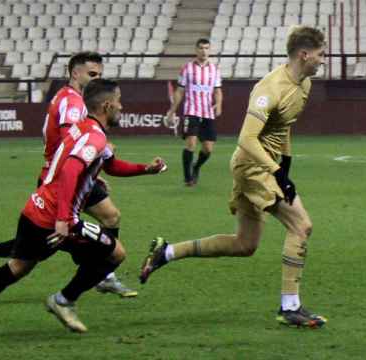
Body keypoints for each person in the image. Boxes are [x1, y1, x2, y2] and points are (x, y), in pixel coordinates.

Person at [0, 79, 168, 340]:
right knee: (116, 254)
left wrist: (146, 169)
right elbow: (71, 168)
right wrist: (64, 219)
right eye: (119, 101)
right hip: (57, 219)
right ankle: (63, 300)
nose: (122, 106)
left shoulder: (84, 129)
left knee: (18, 267)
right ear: (107, 105)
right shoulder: (95, 136)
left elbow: (111, 165)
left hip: (35, 209)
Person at [140, 26, 327, 328]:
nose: (323, 60)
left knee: (245, 244)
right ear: (304, 54)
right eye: (320, 55)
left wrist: (287, 165)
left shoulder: (304, 84)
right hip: (252, 166)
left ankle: (167, 252)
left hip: (264, 166)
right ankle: (290, 306)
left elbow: (285, 125)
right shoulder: (270, 88)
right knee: (301, 226)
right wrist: (277, 171)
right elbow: (246, 140)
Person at [0, 52, 137, 297]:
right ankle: (101, 275)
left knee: (107, 218)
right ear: (74, 73)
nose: (96, 78)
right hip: (63, 177)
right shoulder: (72, 102)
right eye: (91, 74)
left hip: (71, 173)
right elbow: (72, 140)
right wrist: (91, 163)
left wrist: (91, 167)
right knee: (45, 243)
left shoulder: (71, 97)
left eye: (99, 75)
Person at [165, 38, 223, 186]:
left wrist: (219, 104)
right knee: (191, 143)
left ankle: (196, 167)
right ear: (196, 50)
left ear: (209, 50)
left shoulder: (214, 70)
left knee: (208, 148)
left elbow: (218, 90)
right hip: (191, 111)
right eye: (201, 48)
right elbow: (179, 91)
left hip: (207, 113)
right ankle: (188, 178)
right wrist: (172, 111)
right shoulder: (187, 68)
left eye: (206, 48)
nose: (204, 51)